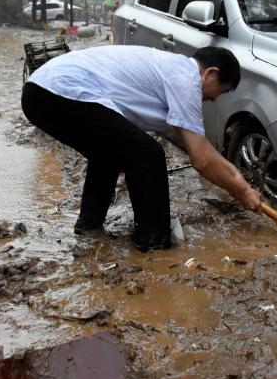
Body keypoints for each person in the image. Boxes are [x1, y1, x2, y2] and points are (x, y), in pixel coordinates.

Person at [21, 45, 262, 251]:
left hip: (39, 92)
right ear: (210, 73)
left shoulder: (170, 69)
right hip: (60, 90)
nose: (213, 99)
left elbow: (198, 147)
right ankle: (154, 245)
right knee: (148, 155)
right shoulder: (186, 79)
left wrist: (237, 185)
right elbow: (202, 159)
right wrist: (242, 191)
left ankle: (89, 228)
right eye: (220, 91)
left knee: (109, 154)